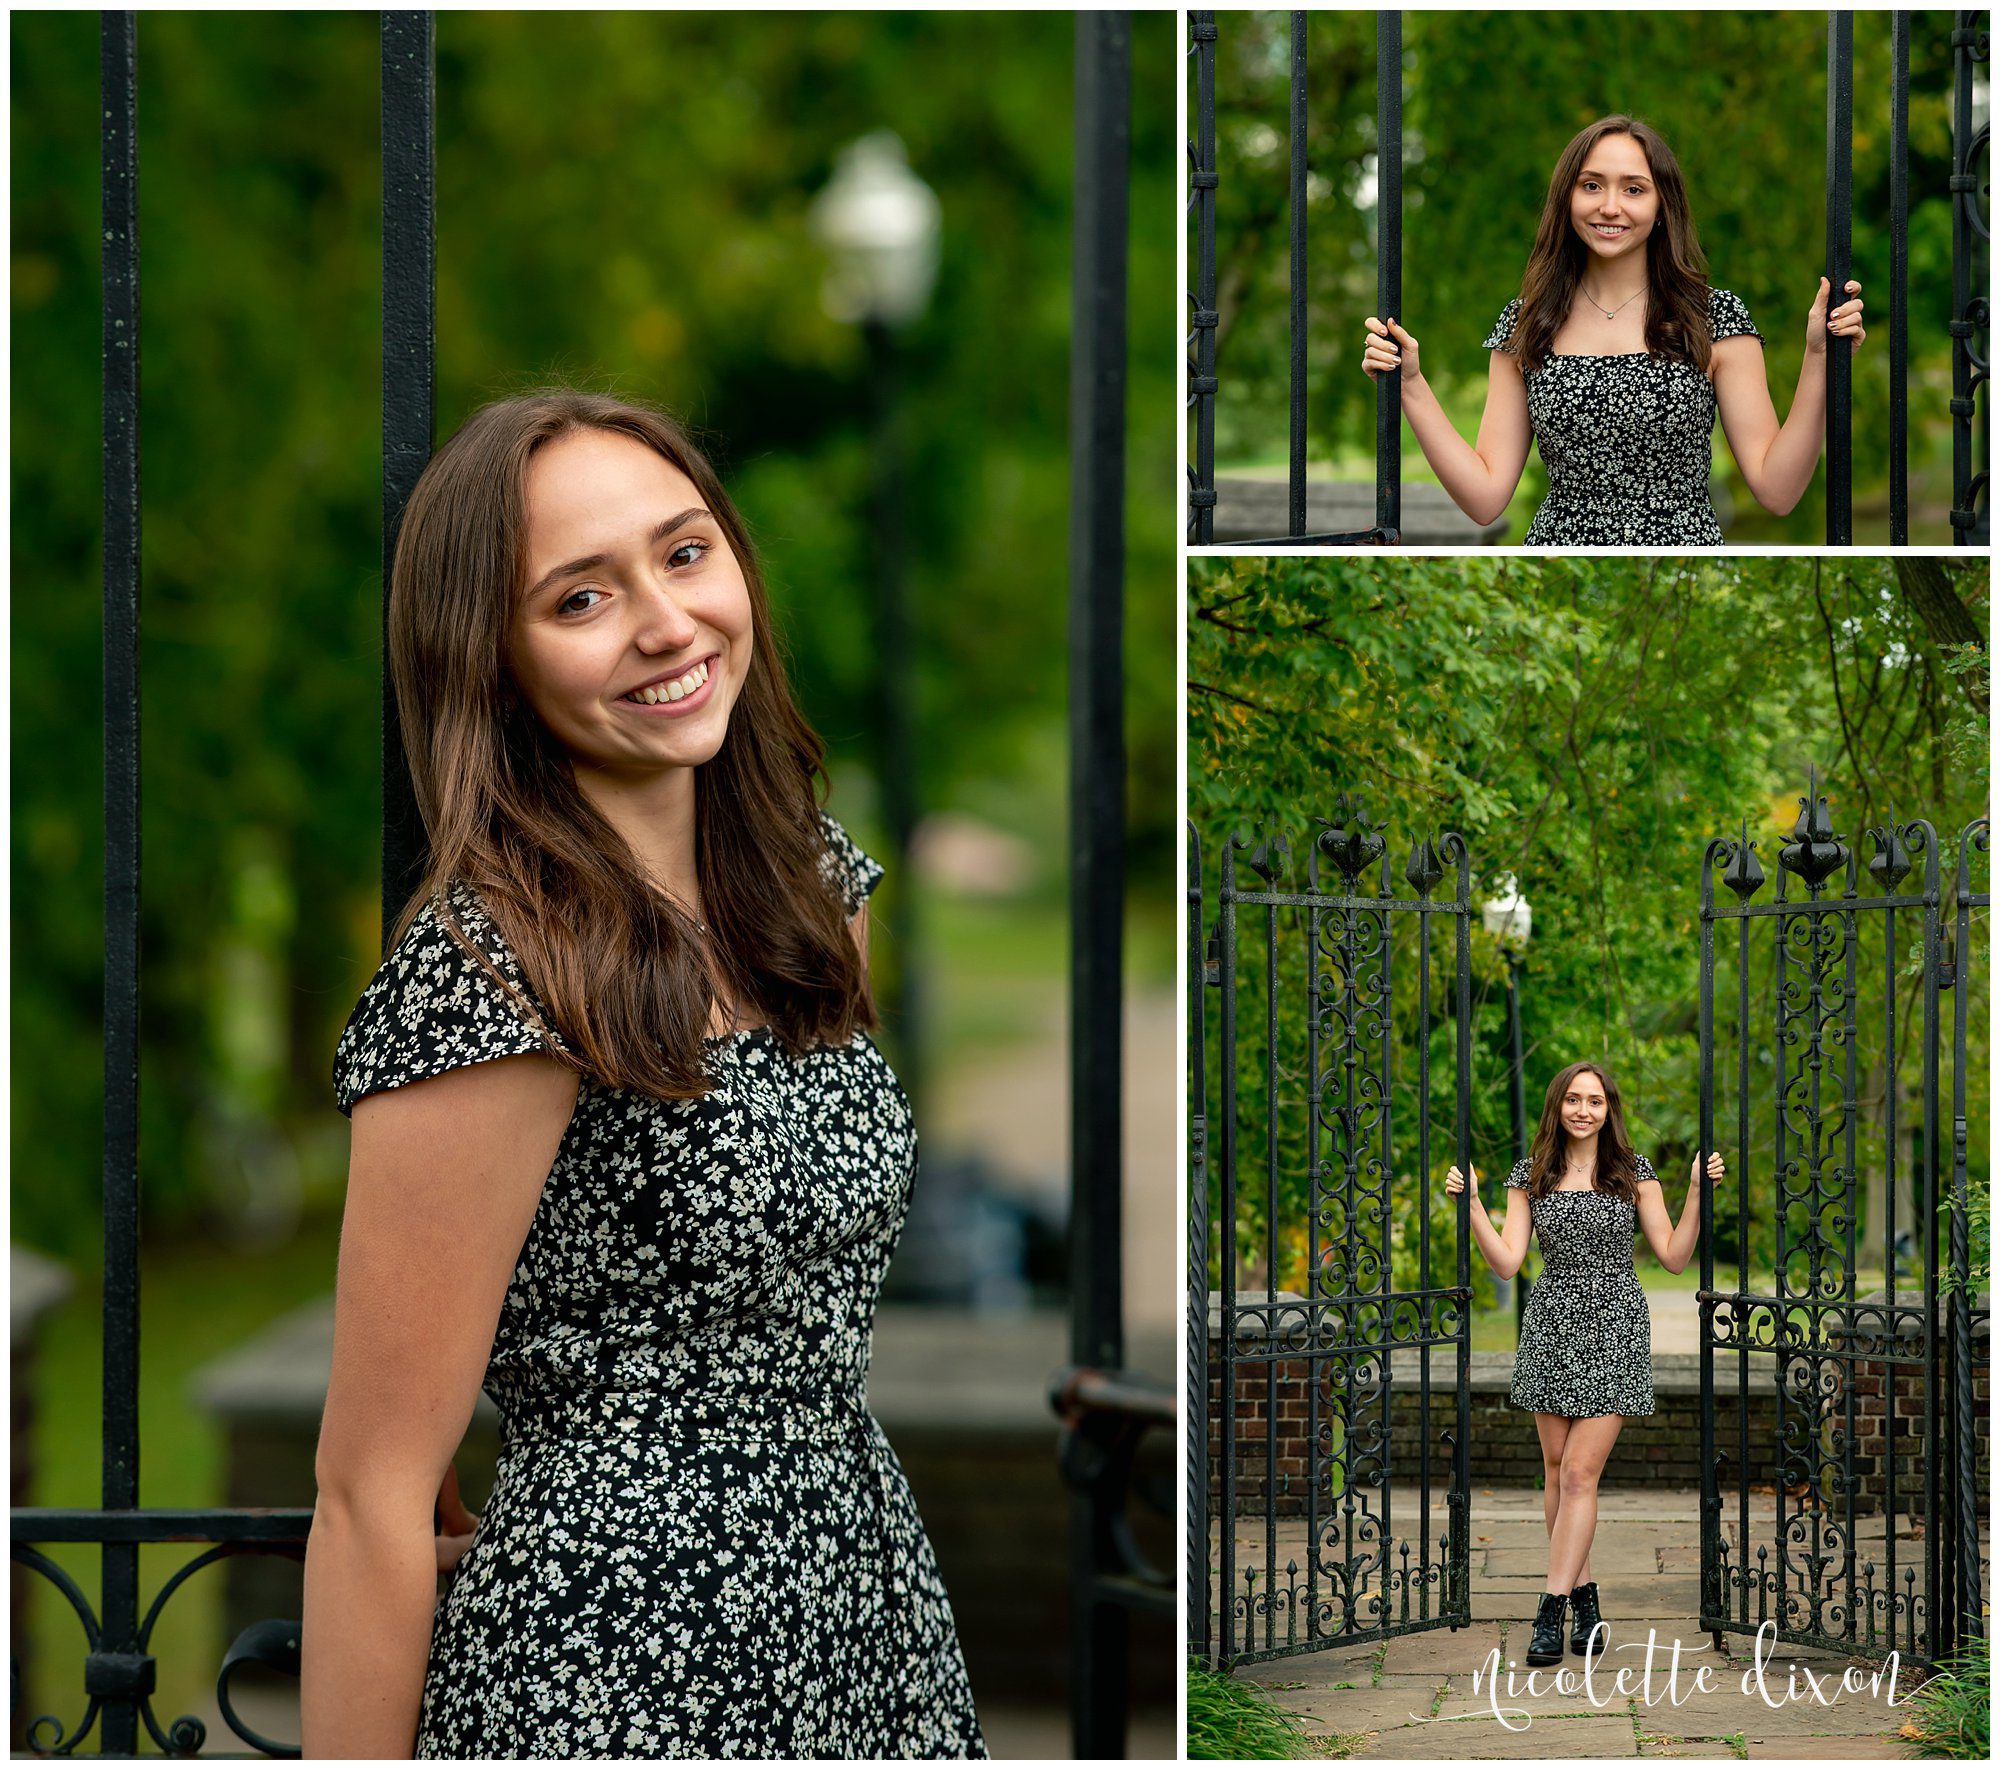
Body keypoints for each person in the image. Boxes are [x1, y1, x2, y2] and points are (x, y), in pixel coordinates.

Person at [300, 387, 987, 1759]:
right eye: (579, 599)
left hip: (863, 1617)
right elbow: (371, 1489)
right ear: (491, 659)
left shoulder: (808, 893)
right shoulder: (494, 976)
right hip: (616, 1664)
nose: (667, 624)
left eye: (683, 553)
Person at [1359, 114, 1867, 544]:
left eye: (1634, 189)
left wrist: (1820, 359)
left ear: (1662, 206)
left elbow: (1777, 491)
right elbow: (1485, 498)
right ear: (1568, 198)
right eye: (1592, 185)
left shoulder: (1713, 318)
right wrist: (1412, 387)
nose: (1609, 206)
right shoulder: (1527, 321)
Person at [1445, 1060, 1721, 1668]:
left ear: (1608, 1109)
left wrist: (1697, 1191)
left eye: (1594, 1101)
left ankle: (1549, 1611)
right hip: (1550, 1322)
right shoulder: (1530, 1176)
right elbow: (1508, 1263)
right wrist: (1474, 1211)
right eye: (1573, 1099)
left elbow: (1675, 1257)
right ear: (1558, 1106)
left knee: (1578, 1475)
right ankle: (1587, 1605)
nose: (1583, 1110)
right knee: (1555, 1470)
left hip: (1614, 1324)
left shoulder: (1633, 1173)